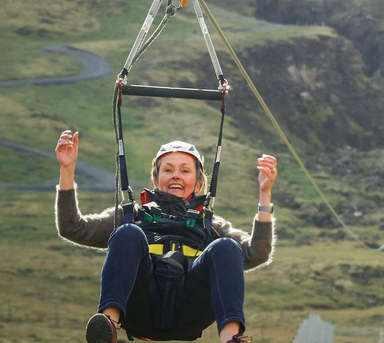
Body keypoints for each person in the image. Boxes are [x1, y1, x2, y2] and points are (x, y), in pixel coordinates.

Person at [55, 130, 277, 343]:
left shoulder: (212, 225)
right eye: (168, 170)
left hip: (189, 310)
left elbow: (256, 252)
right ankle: (107, 327)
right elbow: (73, 228)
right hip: (140, 306)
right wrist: (67, 169)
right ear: (156, 177)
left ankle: (232, 340)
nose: (176, 176)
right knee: (128, 232)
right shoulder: (131, 215)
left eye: (185, 170)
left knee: (227, 246)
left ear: (199, 181)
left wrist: (265, 194)